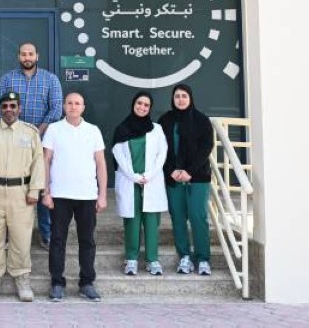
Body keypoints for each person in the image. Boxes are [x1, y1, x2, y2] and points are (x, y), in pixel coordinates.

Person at [0, 91, 44, 302]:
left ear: (19, 108)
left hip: (20, 194)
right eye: (5, 106)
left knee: (21, 239)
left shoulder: (30, 132)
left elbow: (38, 163)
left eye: (13, 106)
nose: (9, 110)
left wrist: (34, 190)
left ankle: (22, 277)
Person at [41, 91, 108, 302]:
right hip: (59, 194)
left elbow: (101, 164)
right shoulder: (54, 129)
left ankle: (86, 283)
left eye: (77, 103)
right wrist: (46, 191)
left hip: (87, 195)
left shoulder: (93, 131)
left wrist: (102, 195)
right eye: (69, 103)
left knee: (87, 240)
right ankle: (57, 283)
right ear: (64, 106)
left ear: (83, 107)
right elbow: (45, 161)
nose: (73, 106)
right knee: (57, 240)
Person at [0, 42, 62, 247]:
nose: (27, 57)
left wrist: (37, 131)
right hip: (13, 140)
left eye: (30, 54)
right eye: (23, 54)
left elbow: (56, 109)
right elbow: (0, 107)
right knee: (14, 187)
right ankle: (10, 233)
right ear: (19, 57)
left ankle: (46, 233)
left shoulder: (50, 79)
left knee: (42, 185)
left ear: (37, 56)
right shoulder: (7, 79)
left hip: (43, 140)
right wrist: (19, 131)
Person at [158, 83, 215, 276]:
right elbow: (160, 149)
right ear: (172, 99)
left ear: (190, 98)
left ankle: (203, 259)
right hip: (173, 178)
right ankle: (184, 256)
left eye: (184, 96)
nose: (180, 99)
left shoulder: (201, 120)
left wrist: (189, 171)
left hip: (197, 177)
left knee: (198, 217)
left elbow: (206, 147)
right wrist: (171, 171)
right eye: (177, 96)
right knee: (178, 218)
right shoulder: (165, 120)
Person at [111, 91, 168, 276]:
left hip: (151, 180)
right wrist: (135, 177)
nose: (142, 107)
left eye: (146, 105)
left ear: (150, 108)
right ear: (133, 104)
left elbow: (162, 154)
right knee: (132, 221)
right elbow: (118, 156)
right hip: (130, 180)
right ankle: (131, 259)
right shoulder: (122, 129)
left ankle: (152, 260)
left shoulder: (157, 129)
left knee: (151, 221)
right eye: (139, 103)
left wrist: (148, 175)